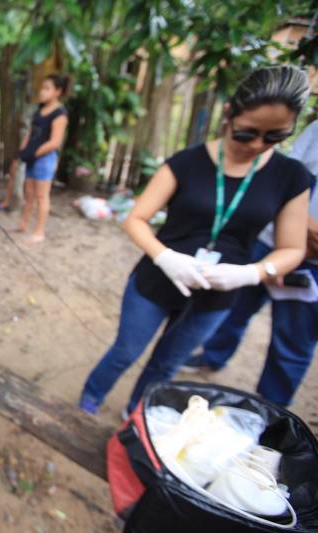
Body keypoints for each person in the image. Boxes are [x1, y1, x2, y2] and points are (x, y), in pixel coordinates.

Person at [78, 65, 312, 417]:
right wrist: (166, 257)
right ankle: (89, 400)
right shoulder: (186, 163)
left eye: (275, 136)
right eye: (247, 134)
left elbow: (293, 248)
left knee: (167, 364)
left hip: (218, 295)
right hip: (157, 280)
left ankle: (137, 415)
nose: (259, 145)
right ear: (229, 115)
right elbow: (136, 218)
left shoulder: (291, 177)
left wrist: (251, 273)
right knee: (126, 350)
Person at [180, 119, 318, 407]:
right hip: (270, 241)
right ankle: (213, 356)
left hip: (312, 264)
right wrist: (294, 235)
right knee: (233, 307)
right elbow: (284, 178)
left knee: (293, 341)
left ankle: (269, 408)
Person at [16, 75, 70, 244]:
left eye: (47, 88)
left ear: (58, 91)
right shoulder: (39, 110)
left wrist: (35, 152)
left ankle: (39, 232)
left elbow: (55, 142)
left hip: (45, 159)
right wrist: (23, 150)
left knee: (42, 195)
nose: (42, 91)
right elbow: (31, 133)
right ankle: (23, 225)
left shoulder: (60, 113)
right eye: (42, 87)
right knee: (29, 193)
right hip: (32, 156)